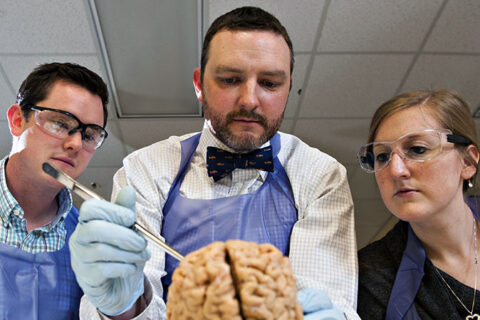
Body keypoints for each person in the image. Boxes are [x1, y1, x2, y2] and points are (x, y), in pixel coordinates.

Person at [72, 6, 358, 320]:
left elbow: (327, 295)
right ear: (199, 83)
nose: (250, 99)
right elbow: (139, 303)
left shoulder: (320, 174)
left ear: (289, 86)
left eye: (270, 83)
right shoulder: (148, 169)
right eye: (230, 79)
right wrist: (125, 307)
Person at [356, 89, 480, 319]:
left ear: (467, 162)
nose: (395, 170)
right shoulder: (372, 277)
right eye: (383, 156)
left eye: (417, 149)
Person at [1, 62, 109, 319]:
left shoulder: (89, 241)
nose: (75, 143)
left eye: (89, 135)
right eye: (61, 123)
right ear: (17, 121)